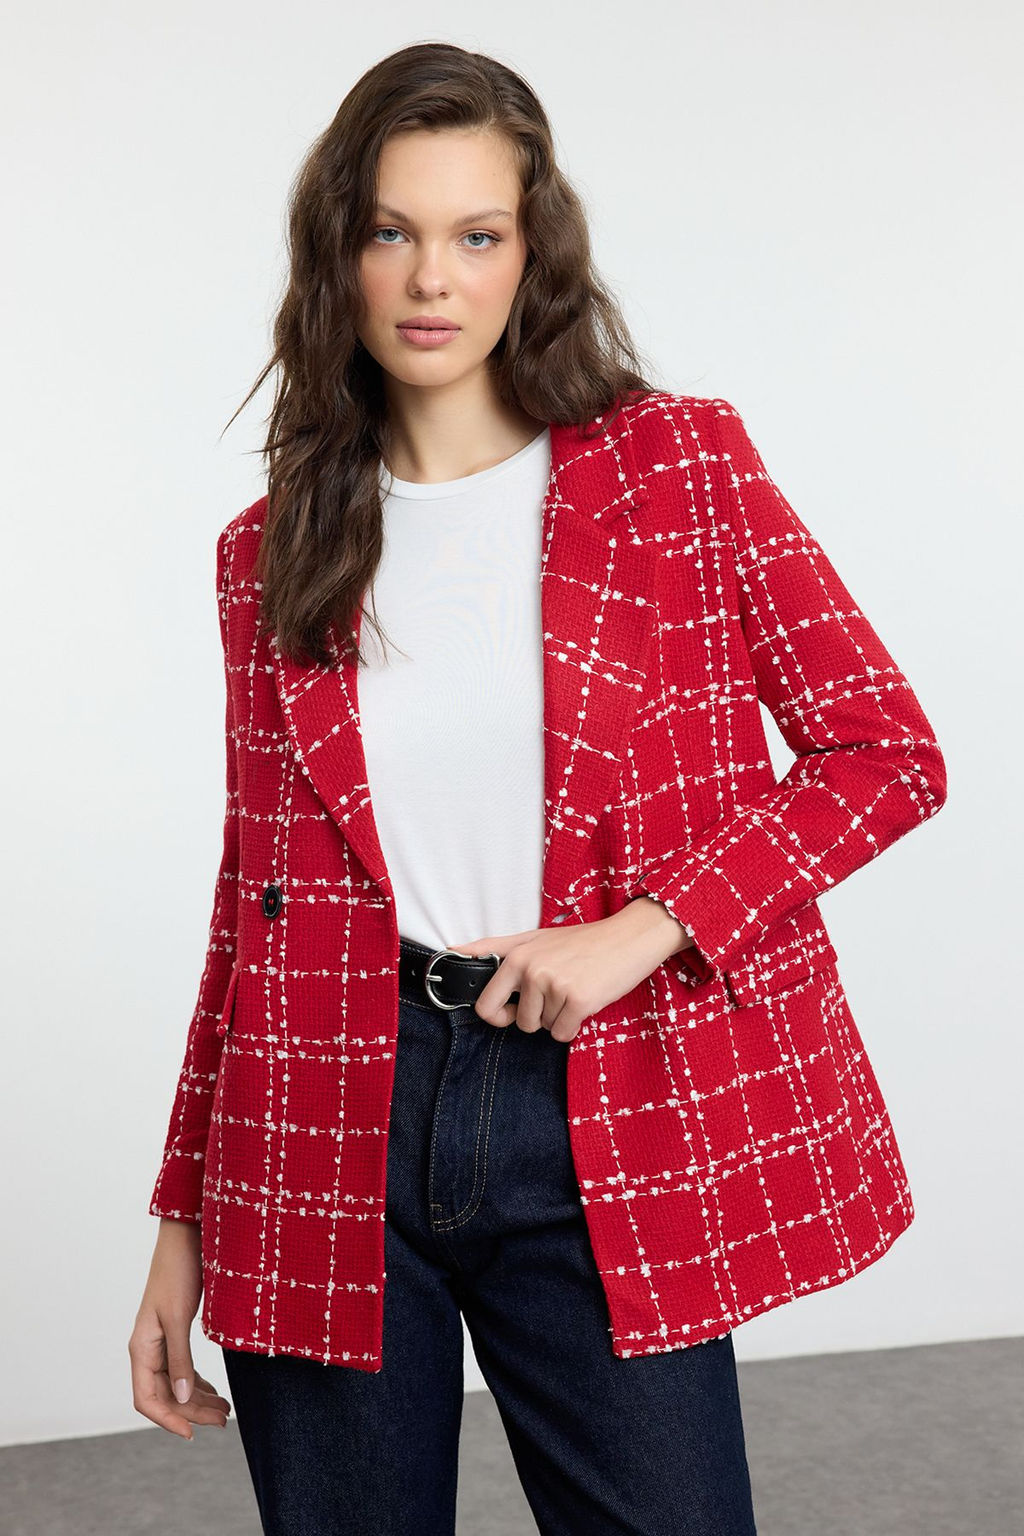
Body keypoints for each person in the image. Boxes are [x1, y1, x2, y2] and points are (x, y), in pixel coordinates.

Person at [129, 41, 946, 1536]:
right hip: (324, 1116)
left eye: (477, 234)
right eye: (391, 230)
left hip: (601, 1096)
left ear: (531, 254)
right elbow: (252, 904)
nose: (431, 278)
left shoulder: (677, 471)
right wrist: (183, 1219)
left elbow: (884, 755)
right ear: (338, 254)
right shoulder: (269, 553)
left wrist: (643, 928)